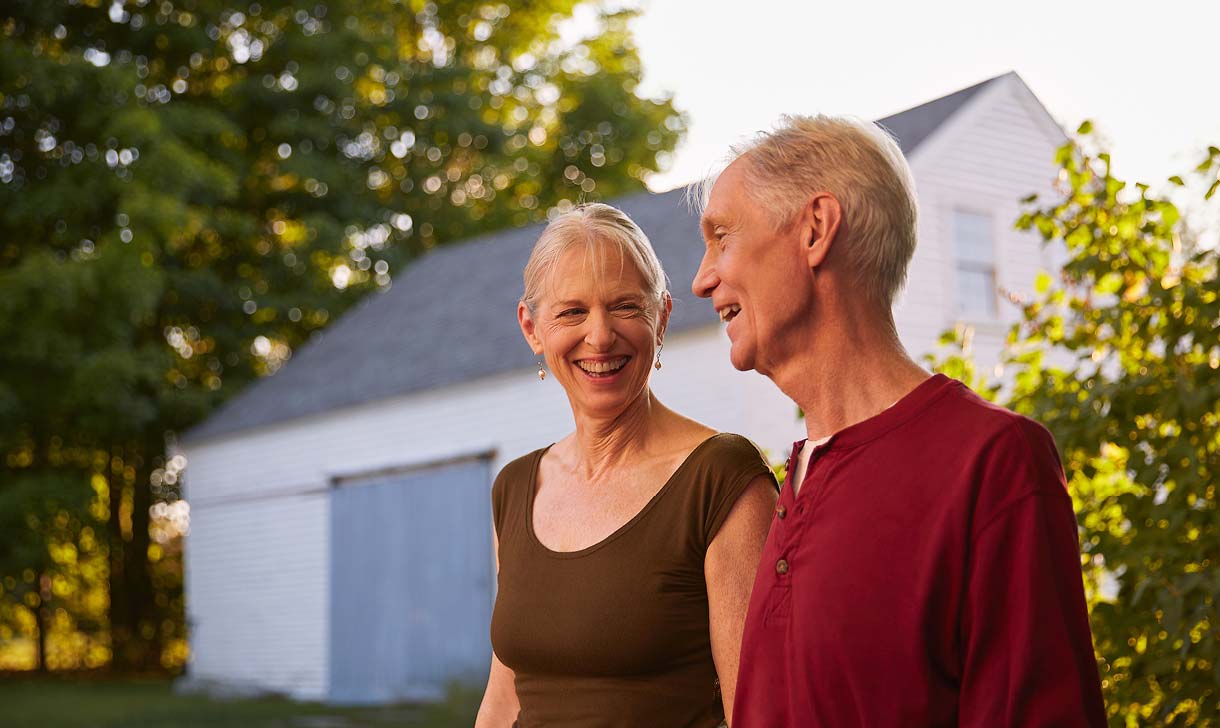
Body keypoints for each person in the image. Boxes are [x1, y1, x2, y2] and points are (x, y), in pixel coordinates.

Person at [691, 115, 1107, 726]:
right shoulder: (795, 477)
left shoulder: (993, 461)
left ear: (814, 230)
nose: (702, 279)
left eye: (722, 237)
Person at [475, 203, 778, 728]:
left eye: (624, 308)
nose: (599, 336)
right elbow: (505, 697)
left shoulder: (721, 478)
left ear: (661, 317)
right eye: (572, 312)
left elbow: (755, 712)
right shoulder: (515, 488)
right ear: (532, 328)